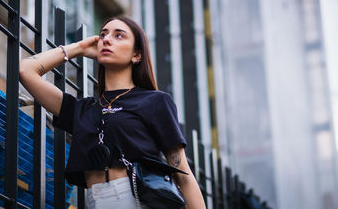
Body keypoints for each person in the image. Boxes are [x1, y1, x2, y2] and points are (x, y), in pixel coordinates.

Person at [19, 16, 206, 209]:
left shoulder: (155, 101)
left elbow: (182, 174)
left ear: (137, 55)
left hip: (138, 200)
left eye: (119, 36)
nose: (107, 39)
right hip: (95, 200)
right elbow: (25, 70)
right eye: (103, 35)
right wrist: (79, 48)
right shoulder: (81, 109)